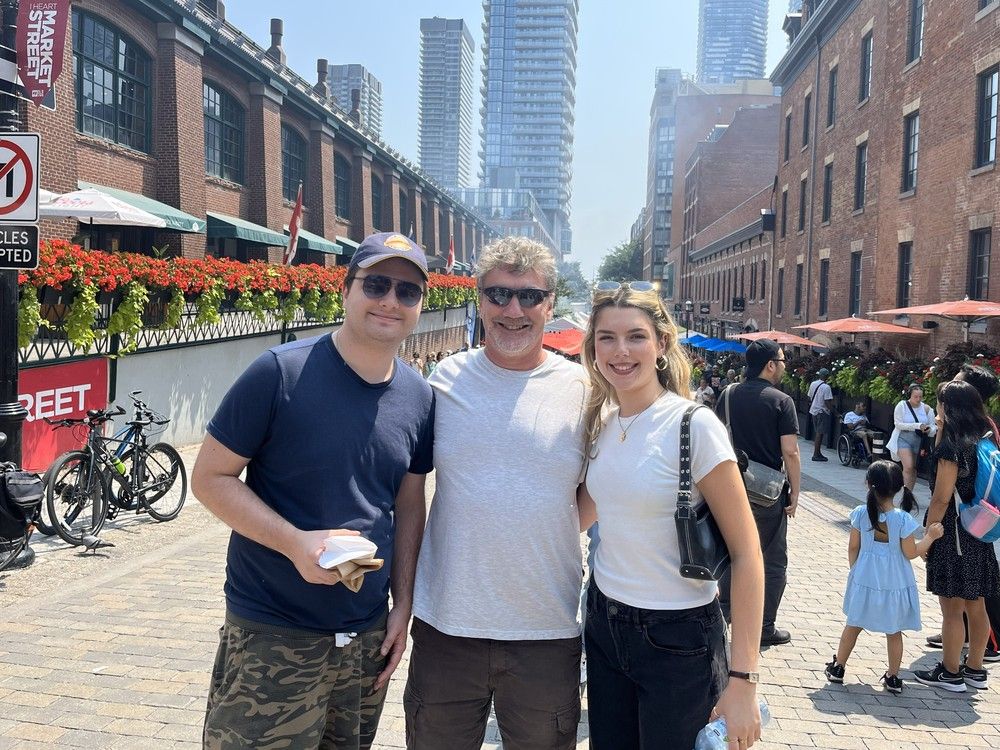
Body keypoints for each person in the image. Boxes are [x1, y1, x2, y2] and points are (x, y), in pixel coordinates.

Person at [193, 232, 435, 750]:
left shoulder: (418, 396)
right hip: (273, 633)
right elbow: (209, 479)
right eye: (376, 284)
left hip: (366, 636)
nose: (391, 300)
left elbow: (409, 505)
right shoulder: (280, 372)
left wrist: (402, 604)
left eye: (407, 291)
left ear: (420, 306)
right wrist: (294, 542)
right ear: (346, 290)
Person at [405, 237, 588, 750]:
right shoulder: (445, 379)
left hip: (545, 629)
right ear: (479, 299)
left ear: (550, 303)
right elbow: (411, 493)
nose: (514, 309)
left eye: (530, 296)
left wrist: (545, 526)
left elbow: (597, 490)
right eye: (499, 294)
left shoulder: (581, 389)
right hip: (447, 624)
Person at [577, 281, 764, 750]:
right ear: (593, 348)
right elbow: (581, 515)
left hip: (678, 638)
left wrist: (743, 679)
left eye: (635, 336)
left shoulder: (692, 426)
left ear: (661, 344)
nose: (621, 351)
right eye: (607, 337)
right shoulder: (602, 423)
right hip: (603, 622)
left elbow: (747, 554)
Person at [824, 461, 943, 694]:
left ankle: (838, 667)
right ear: (899, 488)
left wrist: (856, 571)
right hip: (894, 581)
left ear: (868, 484)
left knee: (853, 624)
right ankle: (893, 677)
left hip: (865, 578)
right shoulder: (903, 520)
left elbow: (853, 548)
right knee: (894, 630)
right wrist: (930, 537)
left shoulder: (860, 514)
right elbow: (910, 553)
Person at [915, 380, 1000, 692]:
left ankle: (950, 672)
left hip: (953, 533)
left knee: (952, 608)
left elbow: (940, 497)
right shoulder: (984, 439)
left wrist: (929, 534)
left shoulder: (952, 446)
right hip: (979, 529)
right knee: (977, 603)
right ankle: (975, 669)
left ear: (946, 408)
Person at [715, 338, 801, 646]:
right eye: (781, 360)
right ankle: (764, 627)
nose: (783, 366)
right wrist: (796, 491)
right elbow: (790, 452)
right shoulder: (781, 401)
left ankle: (723, 615)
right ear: (770, 365)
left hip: (729, 488)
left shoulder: (727, 394)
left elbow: (714, 439)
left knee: (728, 553)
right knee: (773, 559)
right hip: (767, 493)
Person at [890, 384, 936, 491]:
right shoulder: (902, 406)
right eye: (915, 396)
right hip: (903, 438)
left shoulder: (927, 408)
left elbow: (933, 427)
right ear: (910, 395)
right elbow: (898, 424)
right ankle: (905, 494)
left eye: (920, 396)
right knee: (908, 467)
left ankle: (908, 494)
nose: (918, 399)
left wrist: (929, 429)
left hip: (919, 442)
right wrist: (917, 426)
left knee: (914, 469)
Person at [807, 368, 834, 461]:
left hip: (814, 411)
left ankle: (818, 453)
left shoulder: (813, 384)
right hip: (822, 412)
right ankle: (816, 454)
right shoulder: (826, 387)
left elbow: (810, 396)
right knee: (820, 433)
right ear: (826, 376)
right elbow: (827, 402)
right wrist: (835, 412)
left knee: (818, 432)